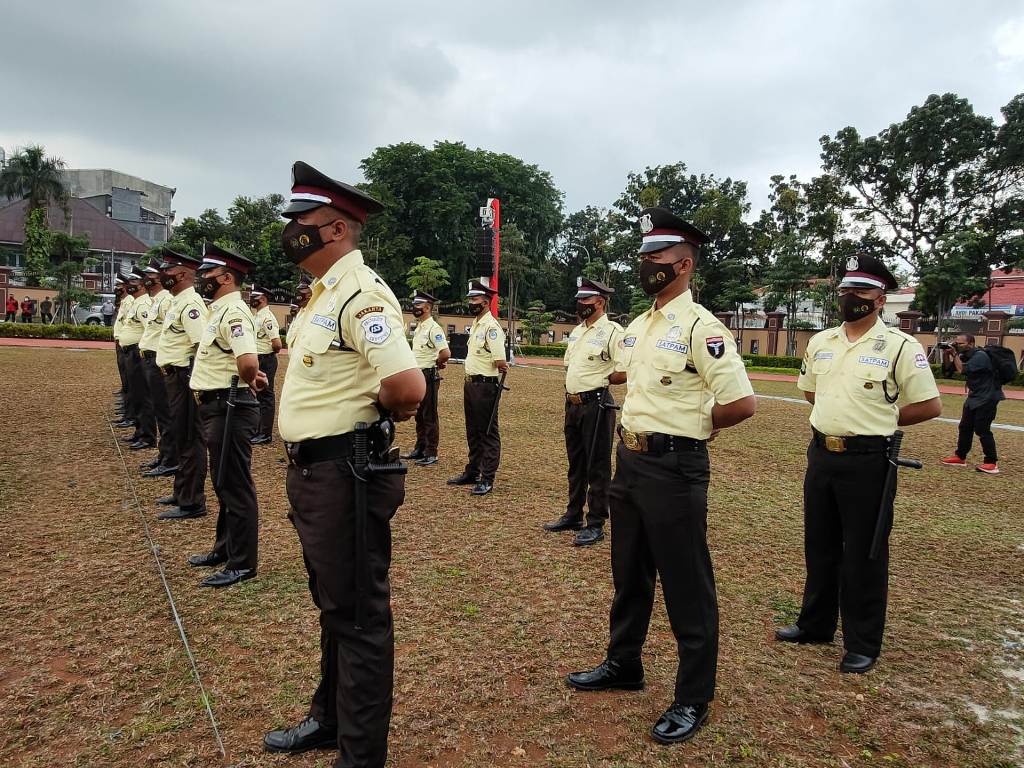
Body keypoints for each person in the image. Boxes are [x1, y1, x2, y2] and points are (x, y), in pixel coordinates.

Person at [567, 207, 756, 745]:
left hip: (676, 466)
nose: (646, 262)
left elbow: (741, 403)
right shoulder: (641, 326)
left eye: (658, 256)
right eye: (645, 254)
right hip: (630, 461)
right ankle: (624, 663)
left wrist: (697, 426)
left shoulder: (703, 328)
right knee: (629, 573)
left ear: (685, 265)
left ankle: (694, 695)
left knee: (685, 583)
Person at [263, 161, 423, 768]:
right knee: (336, 605)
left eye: (300, 222)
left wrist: (374, 413)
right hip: (315, 474)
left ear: (334, 230)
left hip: (345, 473)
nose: (291, 231)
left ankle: (361, 755)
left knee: (357, 615)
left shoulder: (362, 295)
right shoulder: (320, 300)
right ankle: (329, 720)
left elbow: (407, 389)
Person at [776, 253, 941, 674]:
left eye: (861, 291)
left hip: (869, 460)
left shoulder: (899, 346)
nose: (851, 298)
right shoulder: (822, 342)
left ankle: (862, 641)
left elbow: (929, 404)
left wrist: (878, 422)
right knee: (820, 544)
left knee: (864, 553)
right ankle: (815, 624)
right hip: (821, 454)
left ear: (881, 299)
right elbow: (811, 392)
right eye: (846, 290)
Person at [185, 243, 265, 588]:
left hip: (229, 405)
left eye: (207, 274)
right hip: (217, 405)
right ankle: (224, 548)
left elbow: (248, 360)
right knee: (223, 481)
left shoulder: (233, 312)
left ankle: (243, 563)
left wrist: (251, 377)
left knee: (234, 484)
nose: (200, 278)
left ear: (227, 277)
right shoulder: (219, 309)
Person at [543, 277, 623, 546]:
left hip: (597, 404)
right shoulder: (577, 331)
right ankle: (573, 513)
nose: (580, 304)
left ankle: (596, 522)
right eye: (579, 299)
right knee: (576, 463)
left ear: (600, 302)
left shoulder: (613, 332)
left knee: (597, 465)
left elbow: (624, 369)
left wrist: (604, 381)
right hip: (573, 404)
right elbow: (569, 365)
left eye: (585, 300)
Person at [154, 249, 210, 521]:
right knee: (180, 436)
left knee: (190, 438)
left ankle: (192, 501)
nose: (165, 275)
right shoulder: (177, 301)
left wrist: (195, 381)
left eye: (170, 271)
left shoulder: (191, 305)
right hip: (173, 376)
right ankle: (181, 492)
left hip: (184, 377)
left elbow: (201, 346)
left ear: (185, 274)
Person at [447, 280, 508, 495]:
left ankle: (487, 477)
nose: (471, 302)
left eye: (475, 299)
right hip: (471, 384)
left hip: (485, 385)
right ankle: (472, 470)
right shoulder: (476, 324)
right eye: (470, 299)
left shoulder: (491, 328)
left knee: (487, 432)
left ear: (485, 302)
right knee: (472, 431)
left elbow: (500, 361)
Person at [939, 334, 1004, 474]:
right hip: (974, 397)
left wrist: (955, 354)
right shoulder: (966, 355)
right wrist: (947, 355)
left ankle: (992, 462)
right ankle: (960, 457)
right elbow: (947, 372)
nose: (956, 345)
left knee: (982, 429)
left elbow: (962, 370)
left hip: (988, 397)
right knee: (965, 427)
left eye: (959, 343)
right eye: (955, 343)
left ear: (970, 344)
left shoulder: (980, 356)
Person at [137, 259, 178, 478]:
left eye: (153, 274)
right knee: (161, 411)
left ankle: (170, 458)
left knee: (165, 412)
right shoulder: (157, 300)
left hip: (160, 361)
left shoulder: (167, 301)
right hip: (153, 359)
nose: (148, 278)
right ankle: (164, 455)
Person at [402, 290, 450, 466]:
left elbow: (445, 352)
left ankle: (431, 452)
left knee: (429, 415)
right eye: (414, 304)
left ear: (428, 307)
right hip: (418, 374)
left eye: (418, 305)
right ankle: (420, 448)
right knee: (419, 415)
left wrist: (438, 362)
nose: (415, 308)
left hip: (428, 374)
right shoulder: (420, 326)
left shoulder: (433, 328)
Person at [118, 269, 157, 450]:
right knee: (136, 394)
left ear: (142, 284)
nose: (129, 285)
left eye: (133, 282)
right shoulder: (136, 303)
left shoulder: (143, 305)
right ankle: (139, 431)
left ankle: (147, 435)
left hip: (137, 354)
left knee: (143, 396)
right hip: (130, 353)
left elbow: (149, 329)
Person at [249, 287, 282, 445]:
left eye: (254, 297)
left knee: (266, 395)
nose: (251, 299)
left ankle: (265, 434)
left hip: (266, 359)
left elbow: (277, 344)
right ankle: (259, 429)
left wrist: (266, 354)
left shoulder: (267, 317)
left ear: (262, 298)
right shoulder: (258, 316)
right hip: (259, 358)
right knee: (259, 395)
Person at [111, 276, 135, 428]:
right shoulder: (125, 302)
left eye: (119, 285)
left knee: (133, 384)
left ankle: (131, 414)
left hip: (132, 349)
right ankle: (128, 409)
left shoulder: (132, 301)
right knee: (127, 381)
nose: (117, 288)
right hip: (122, 345)